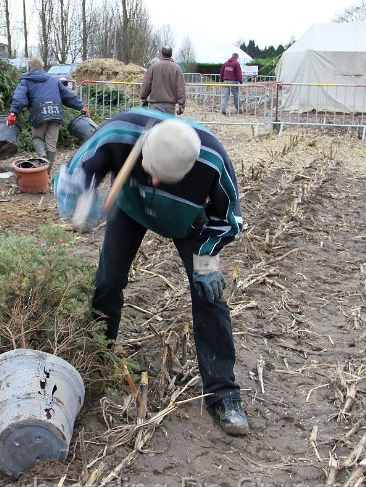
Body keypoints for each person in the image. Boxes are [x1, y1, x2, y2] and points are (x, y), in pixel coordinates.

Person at [54, 108, 249, 436]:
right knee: (107, 283)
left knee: (209, 295)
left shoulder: (212, 158)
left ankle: (224, 392)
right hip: (130, 208)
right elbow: (75, 174)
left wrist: (206, 259)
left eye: (166, 177)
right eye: (151, 170)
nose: (155, 180)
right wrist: (77, 200)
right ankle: (100, 359)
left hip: (185, 220)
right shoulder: (119, 132)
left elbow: (228, 220)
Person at [7, 57, 89, 167]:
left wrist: (13, 113)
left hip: (39, 112)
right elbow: (67, 94)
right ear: (42, 67)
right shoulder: (53, 79)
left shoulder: (26, 80)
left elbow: (19, 98)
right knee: (51, 144)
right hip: (56, 111)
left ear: (29, 68)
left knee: (37, 138)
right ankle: (47, 173)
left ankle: (43, 157)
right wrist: (81, 106)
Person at [140, 46, 186, 116]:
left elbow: (146, 84)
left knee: (155, 125)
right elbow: (180, 88)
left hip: (155, 105)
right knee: (167, 126)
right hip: (170, 107)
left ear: (162, 54)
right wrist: (181, 104)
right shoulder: (176, 69)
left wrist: (144, 98)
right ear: (171, 55)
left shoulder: (153, 67)